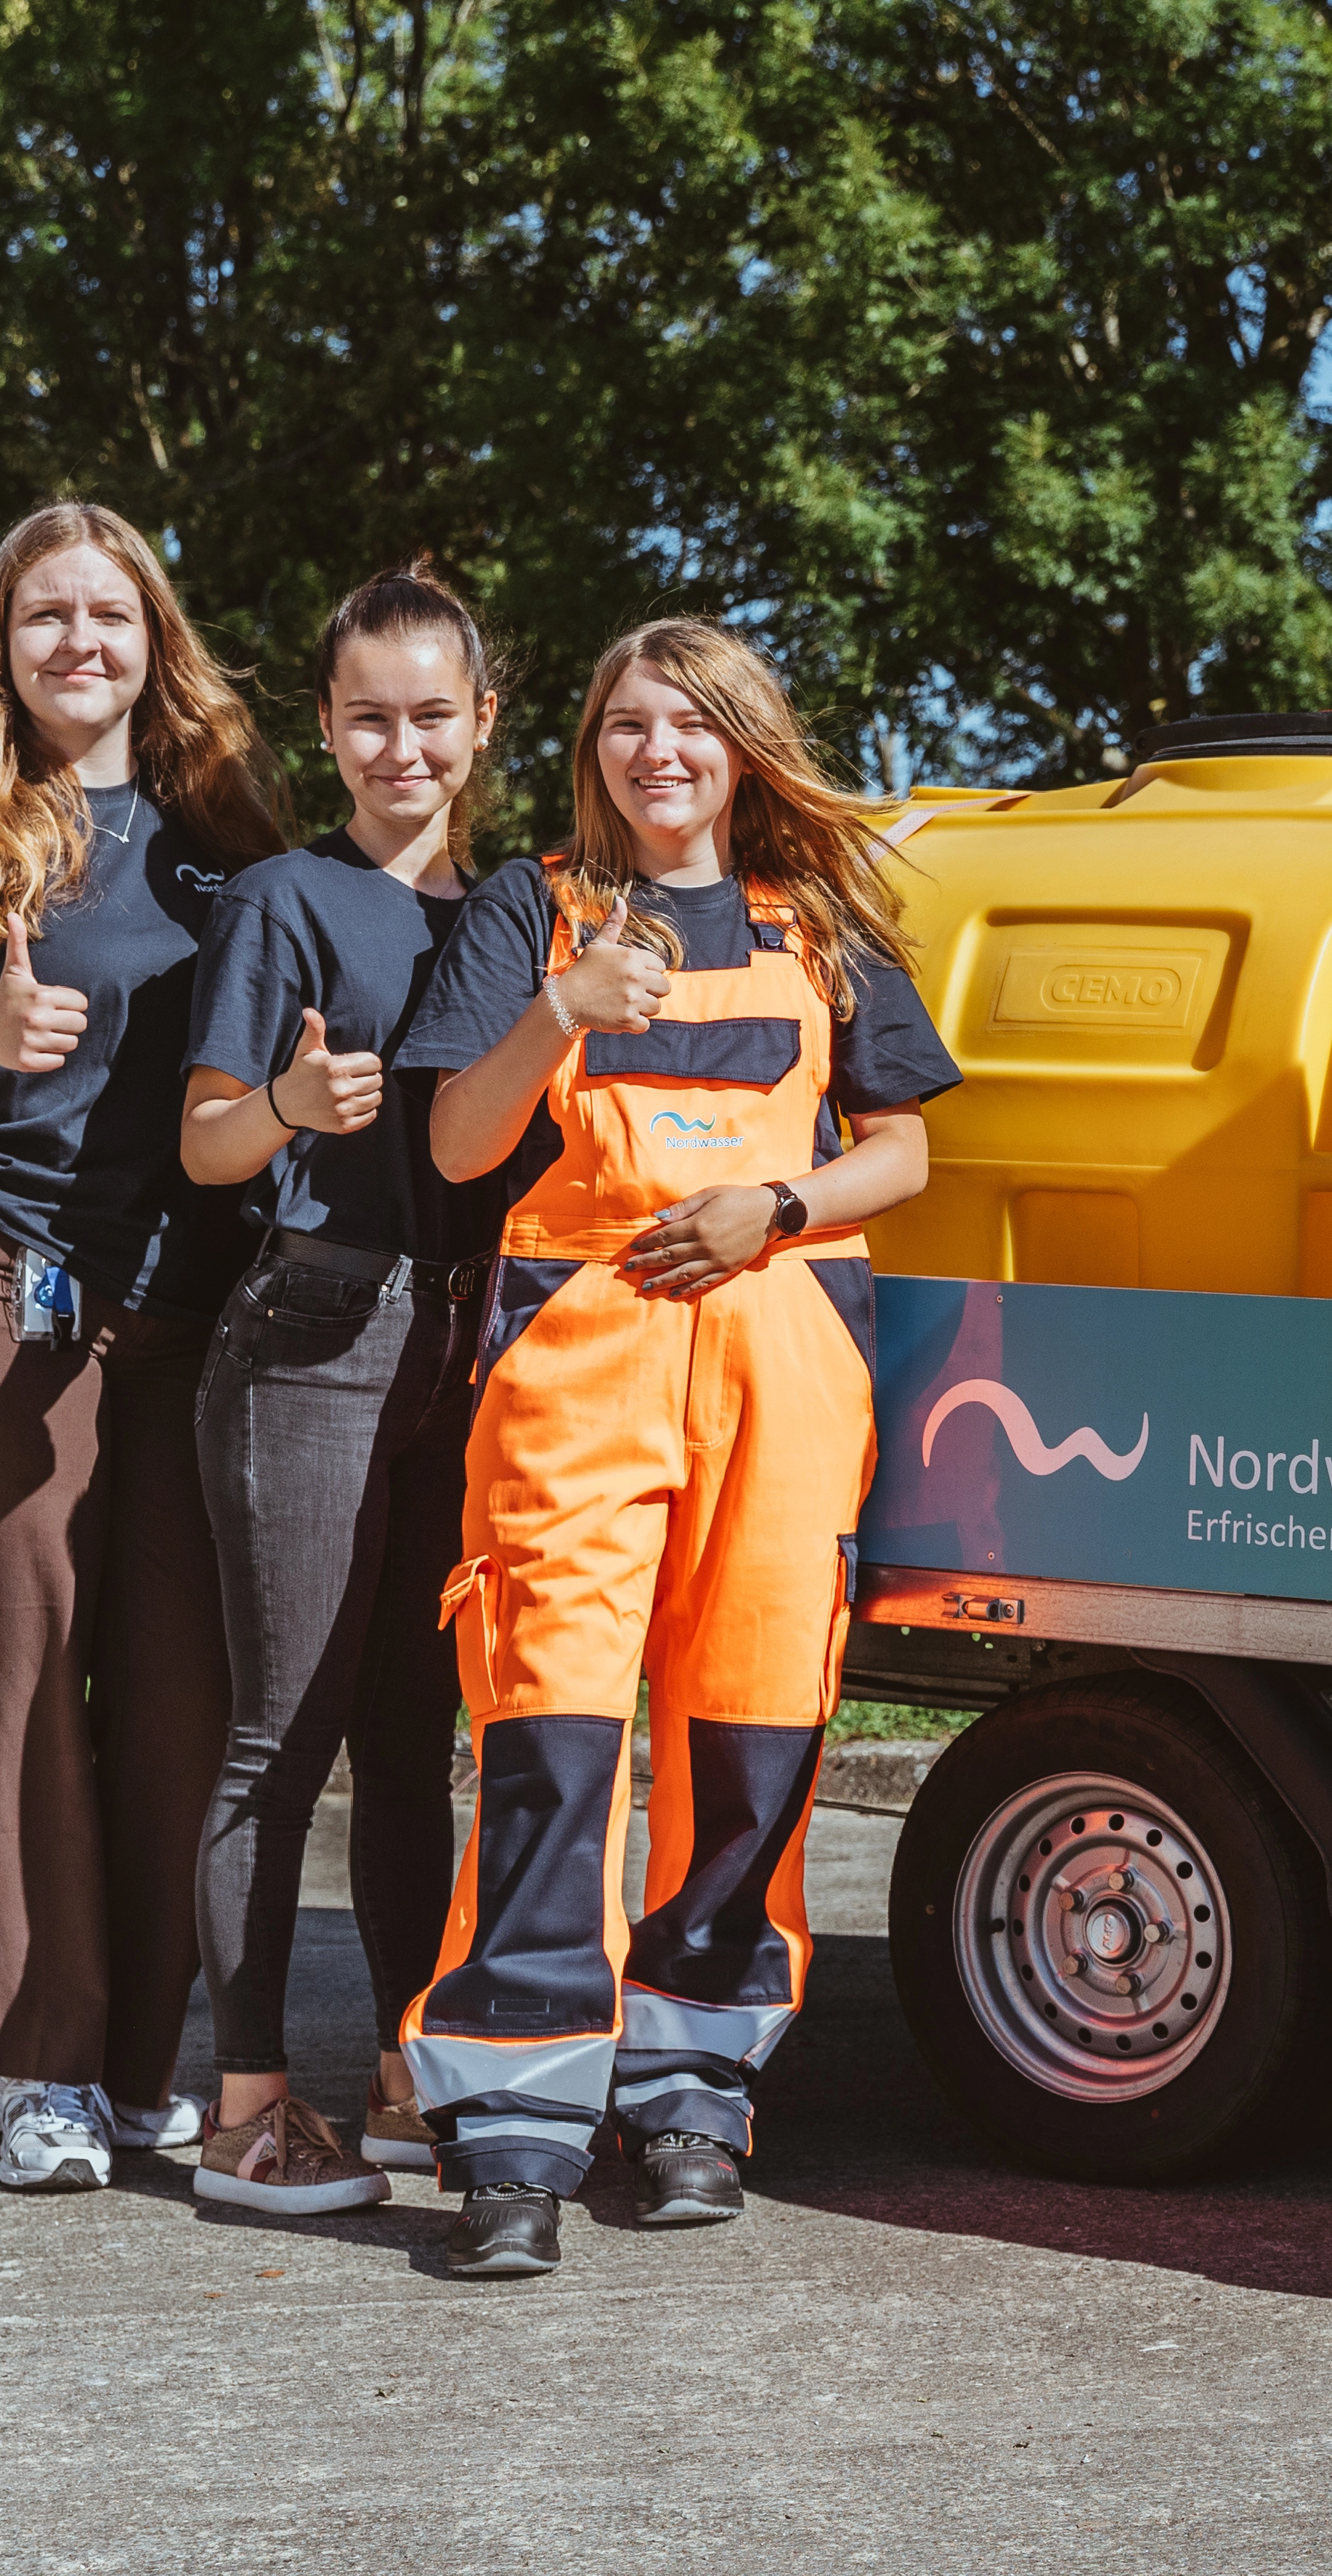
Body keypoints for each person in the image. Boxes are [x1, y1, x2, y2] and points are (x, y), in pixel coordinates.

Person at [391, 619, 960, 2280]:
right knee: (551, 1736)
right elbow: (459, 1142)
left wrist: (772, 1205)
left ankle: (695, 2095)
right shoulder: (533, 911)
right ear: (593, 749)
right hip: (581, 1359)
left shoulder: (820, 921)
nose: (661, 753)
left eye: (693, 724)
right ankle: (514, 2126)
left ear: (741, 746)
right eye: (629, 724)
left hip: (781, 1351)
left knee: (752, 1734)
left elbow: (904, 1155)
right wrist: (558, 1011)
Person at [0, 502, 290, 2190]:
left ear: (156, 639)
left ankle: (130, 2059)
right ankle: (38, 2064)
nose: (78, 641)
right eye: (44, 616)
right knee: (22, 1669)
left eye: (109, 613)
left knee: (181, 1690)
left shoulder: (232, 845)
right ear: (3, 648)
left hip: (191, 1308)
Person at [174, 564, 510, 2216]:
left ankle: (396, 2079)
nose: (402, 748)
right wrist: (291, 1107)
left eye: (431, 715)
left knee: (409, 1735)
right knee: (282, 1737)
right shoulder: (282, 900)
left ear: (483, 723)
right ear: (325, 726)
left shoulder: (515, 915)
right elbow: (205, 1141)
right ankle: (246, 2110)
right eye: (369, 718)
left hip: (462, 1352)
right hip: (310, 1337)